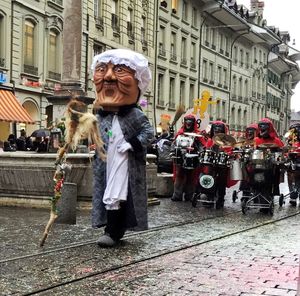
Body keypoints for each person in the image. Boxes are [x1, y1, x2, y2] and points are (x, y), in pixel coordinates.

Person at [91, 48, 154, 247]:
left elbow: (149, 133)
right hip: (106, 162)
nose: (108, 77)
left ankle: (113, 231)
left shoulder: (135, 115)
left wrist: (132, 144)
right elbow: (97, 134)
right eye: (102, 69)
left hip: (125, 163)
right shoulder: (102, 115)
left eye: (119, 71)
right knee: (108, 193)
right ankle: (111, 229)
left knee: (116, 194)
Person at [171, 113, 206, 202]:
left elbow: (202, 146)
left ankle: (189, 195)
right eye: (187, 121)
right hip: (181, 157)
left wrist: (200, 152)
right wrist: (172, 152)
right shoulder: (180, 133)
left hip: (193, 158)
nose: (188, 124)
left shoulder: (198, 135)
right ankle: (177, 195)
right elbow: (174, 143)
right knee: (179, 176)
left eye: (190, 122)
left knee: (191, 177)